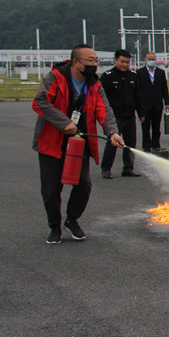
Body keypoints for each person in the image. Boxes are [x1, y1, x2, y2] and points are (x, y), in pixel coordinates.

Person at [32, 45, 124, 244]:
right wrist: (63, 123)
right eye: (90, 60)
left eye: (96, 60)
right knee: (51, 188)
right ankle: (54, 226)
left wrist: (113, 132)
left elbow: (104, 109)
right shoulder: (55, 77)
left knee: (83, 184)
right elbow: (40, 102)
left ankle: (72, 219)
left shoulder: (94, 84)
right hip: (52, 141)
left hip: (79, 141)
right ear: (76, 62)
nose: (94, 64)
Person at [99, 49, 140, 179]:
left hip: (130, 116)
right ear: (115, 60)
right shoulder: (107, 76)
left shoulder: (133, 76)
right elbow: (101, 98)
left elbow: (137, 96)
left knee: (130, 143)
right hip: (114, 117)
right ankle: (106, 169)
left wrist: (141, 113)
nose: (125, 65)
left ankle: (128, 168)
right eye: (122, 61)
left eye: (127, 62)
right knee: (112, 143)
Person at [136, 51, 169, 152]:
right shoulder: (139, 73)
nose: (151, 61)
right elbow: (137, 90)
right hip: (145, 105)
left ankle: (156, 145)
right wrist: (138, 105)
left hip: (157, 104)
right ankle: (146, 146)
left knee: (156, 127)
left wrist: (167, 102)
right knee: (145, 127)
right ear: (145, 60)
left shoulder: (160, 73)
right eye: (149, 59)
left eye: (153, 59)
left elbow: (164, 88)